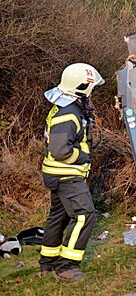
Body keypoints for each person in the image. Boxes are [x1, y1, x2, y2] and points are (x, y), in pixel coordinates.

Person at [39, 62, 104, 282]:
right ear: (81, 86)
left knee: (59, 216)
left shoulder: (68, 105)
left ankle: (47, 264)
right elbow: (60, 150)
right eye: (91, 87)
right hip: (66, 175)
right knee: (85, 215)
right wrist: (84, 156)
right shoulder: (69, 113)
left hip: (59, 174)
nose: (92, 92)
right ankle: (66, 267)